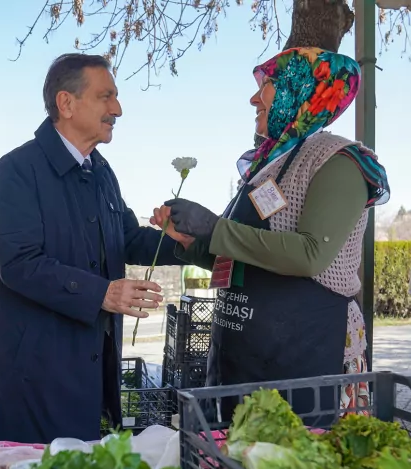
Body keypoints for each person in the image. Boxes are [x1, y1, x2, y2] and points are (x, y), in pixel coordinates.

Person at [152, 47, 391, 423]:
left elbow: (310, 255)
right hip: (242, 356)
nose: (253, 98)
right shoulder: (269, 164)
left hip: (305, 357)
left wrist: (216, 228)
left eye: (267, 85)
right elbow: (248, 257)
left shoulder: (338, 162)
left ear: (303, 89)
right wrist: (195, 245)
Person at [0, 53, 180, 444]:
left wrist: (182, 240)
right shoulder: (18, 170)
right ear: (66, 103)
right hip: (37, 380)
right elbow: (19, 264)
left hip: (94, 375)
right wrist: (102, 293)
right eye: (106, 97)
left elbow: (127, 238)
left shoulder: (101, 171)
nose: (118, 109)